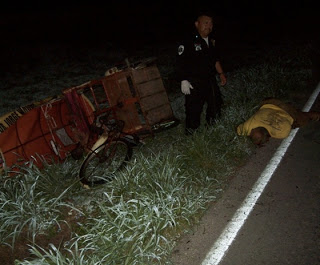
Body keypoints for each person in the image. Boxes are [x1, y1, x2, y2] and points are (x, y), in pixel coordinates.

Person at [176, 11, 227, 134]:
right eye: (205, 23)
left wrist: (221, 74)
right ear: (197, 24)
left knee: (216, 104)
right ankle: (191, 134)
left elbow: (215, 59)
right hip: (194, 81)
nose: (208, 26)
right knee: (193, 109)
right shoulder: (188, 41)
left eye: (210, 23)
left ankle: (213, 127)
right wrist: (183, 80)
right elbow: (180, 61)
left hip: (210, 80)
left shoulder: (211, 40)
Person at [237, 98, 320, 146]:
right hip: (270, 102)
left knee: (300, 120)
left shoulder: (281, 132)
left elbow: (290, 123)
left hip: (286, 110)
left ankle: (313, 115)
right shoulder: (248, 126)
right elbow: (239, 130)